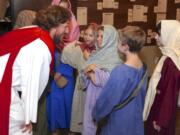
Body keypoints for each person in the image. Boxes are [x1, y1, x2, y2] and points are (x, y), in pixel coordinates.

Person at [0, 5, 71, 135]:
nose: (67, 31)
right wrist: (28, 119)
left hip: (6, 84)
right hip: (4, 87)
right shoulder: (41, 46)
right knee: (22, 130)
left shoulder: (33, 30)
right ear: (56, 24)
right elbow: (31, 84)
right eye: (66, 26)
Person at [92, 26, 147, 135]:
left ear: (125, 46)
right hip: (135, 121)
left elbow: (107, 100)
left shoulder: (121, 71)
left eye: (118, 41)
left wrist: (96, 114)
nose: (116, 43)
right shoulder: (143, 67)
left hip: (119, 123)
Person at [80, 25, 122, 135]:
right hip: (91, 97)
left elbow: (101, 80)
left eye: (102, 36)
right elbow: (85, 73)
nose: (98, 39)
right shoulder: (96, 54)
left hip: (103, 100)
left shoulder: (115, 60)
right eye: (97, 36)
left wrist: (90, 71)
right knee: (90, 126)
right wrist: (90, 71)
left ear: (110, 39)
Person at [143, 20, 180, 135]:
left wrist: (161, 121)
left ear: (169, 35)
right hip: (158, 108)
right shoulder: (167, 56)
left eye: (159, 34)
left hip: (161, 115)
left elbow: (170, 94)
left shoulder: (172, 62)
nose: (155, 37)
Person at [60, 23, 98, 134]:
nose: (87, 37)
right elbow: (65, 55)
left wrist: (89, 58)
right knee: (80, 110)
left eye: (91, 35)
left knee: (92, 113)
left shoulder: (100, 51)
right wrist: (74, 43)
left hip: (94, 86)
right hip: (81, 85)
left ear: (97, 37)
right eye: (85, 34)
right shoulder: (80, 48)